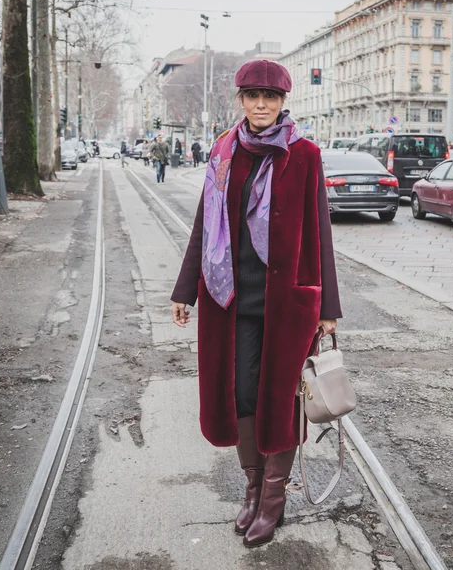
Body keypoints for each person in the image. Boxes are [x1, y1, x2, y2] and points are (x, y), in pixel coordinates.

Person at [170, 60, 342, 548]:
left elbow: (320, 231)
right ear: (241, 100)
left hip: (287, 304)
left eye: (270, 96)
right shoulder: (224, 153)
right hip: (231, 301)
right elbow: (205, 227)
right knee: (243, 395)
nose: (261, 104)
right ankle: (251, 491)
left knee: (281, 401)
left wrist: (327, 305)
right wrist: (185, 290)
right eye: (252, 96)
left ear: (284, 101)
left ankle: (272, 501)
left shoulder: (304, 154)